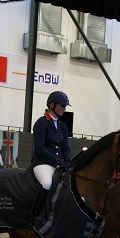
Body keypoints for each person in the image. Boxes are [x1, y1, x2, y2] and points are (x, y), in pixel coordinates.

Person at [30, 90, 72, 220]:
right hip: (42, 163)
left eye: (65, 106)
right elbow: (40, 148)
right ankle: (34, 217)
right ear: (51, 105)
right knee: (47, 183)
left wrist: (68, 162)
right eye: (61, 106)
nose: (64, 109)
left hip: (58, 164)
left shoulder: (63, 126)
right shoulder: (41, 123)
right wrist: (57, 161)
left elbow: (66, 147)